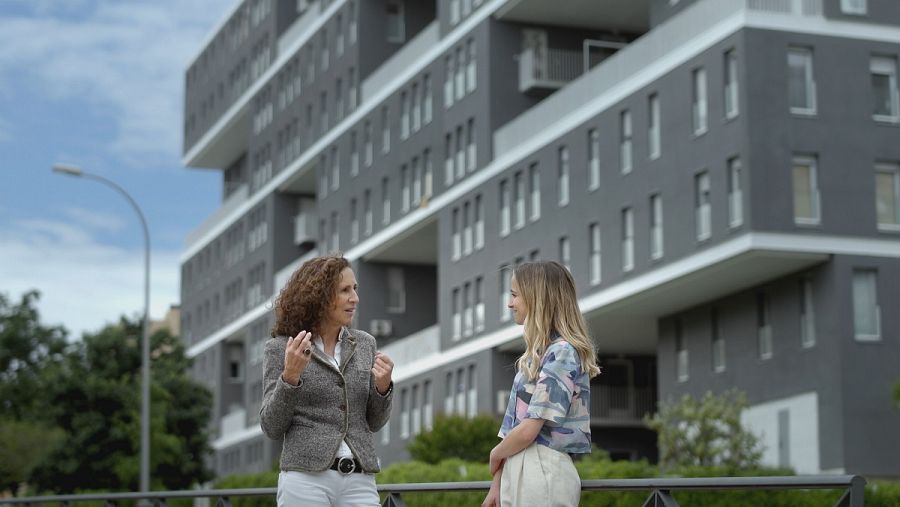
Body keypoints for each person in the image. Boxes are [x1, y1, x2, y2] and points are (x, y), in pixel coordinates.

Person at [260, 254, 394, 507]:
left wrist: (383, 387)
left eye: (354, 289)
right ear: (319, 296)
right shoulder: (281, 348)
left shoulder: (365, 344)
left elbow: (375, 422)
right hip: (305, 480)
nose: (354, 298)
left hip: (359, 478)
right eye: (344, 290)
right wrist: (290, 376)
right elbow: (271, 426)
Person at [482, 261, 601, 507]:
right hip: (523, 467)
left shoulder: (562, 352)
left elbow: (527, 431)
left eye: (515, 295)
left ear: (538, 298)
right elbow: (514, 429)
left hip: (541, 468)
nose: (509, 303)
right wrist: (498, 482)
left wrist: (495, 455)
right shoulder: (542, 353)